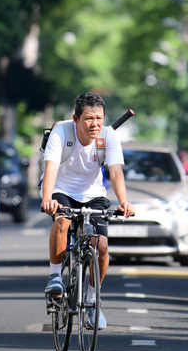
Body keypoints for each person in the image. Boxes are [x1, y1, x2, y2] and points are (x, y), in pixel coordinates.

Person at [41, 92, 135, 330]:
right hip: (61, 189)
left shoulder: (108, 136)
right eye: (89, 119)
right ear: (76, 118)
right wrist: (47, 198)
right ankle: (55, 277)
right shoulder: (61, 132)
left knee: (101, 246)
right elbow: (50, 168)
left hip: (93, 194)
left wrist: (124, 202)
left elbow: (115, 173)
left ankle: (92, 301)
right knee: (62, 222)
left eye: (99, 118)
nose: (95, 124)